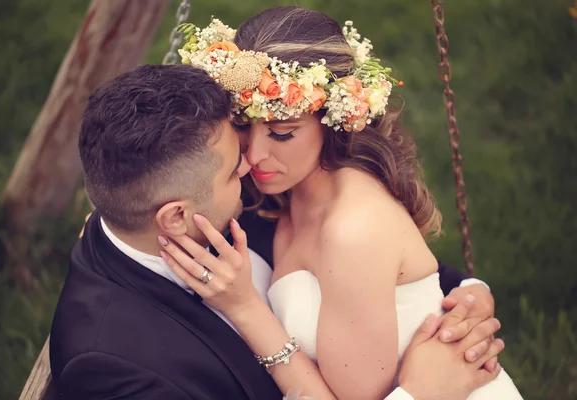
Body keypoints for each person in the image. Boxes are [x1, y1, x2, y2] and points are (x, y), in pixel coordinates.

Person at [50, 63, 501, 400]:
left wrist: (467, 292)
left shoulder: (196, 210)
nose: (251, 166)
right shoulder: (111, 367)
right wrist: (422, 393)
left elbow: (356, 254)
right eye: (233, 170)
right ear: (174, 217)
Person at [160, 6, 522, 399]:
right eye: (245, 126)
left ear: (333, 121)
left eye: (282, 133)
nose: (255, 155)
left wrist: (246, 308)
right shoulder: (280, 186)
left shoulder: (353, 230)